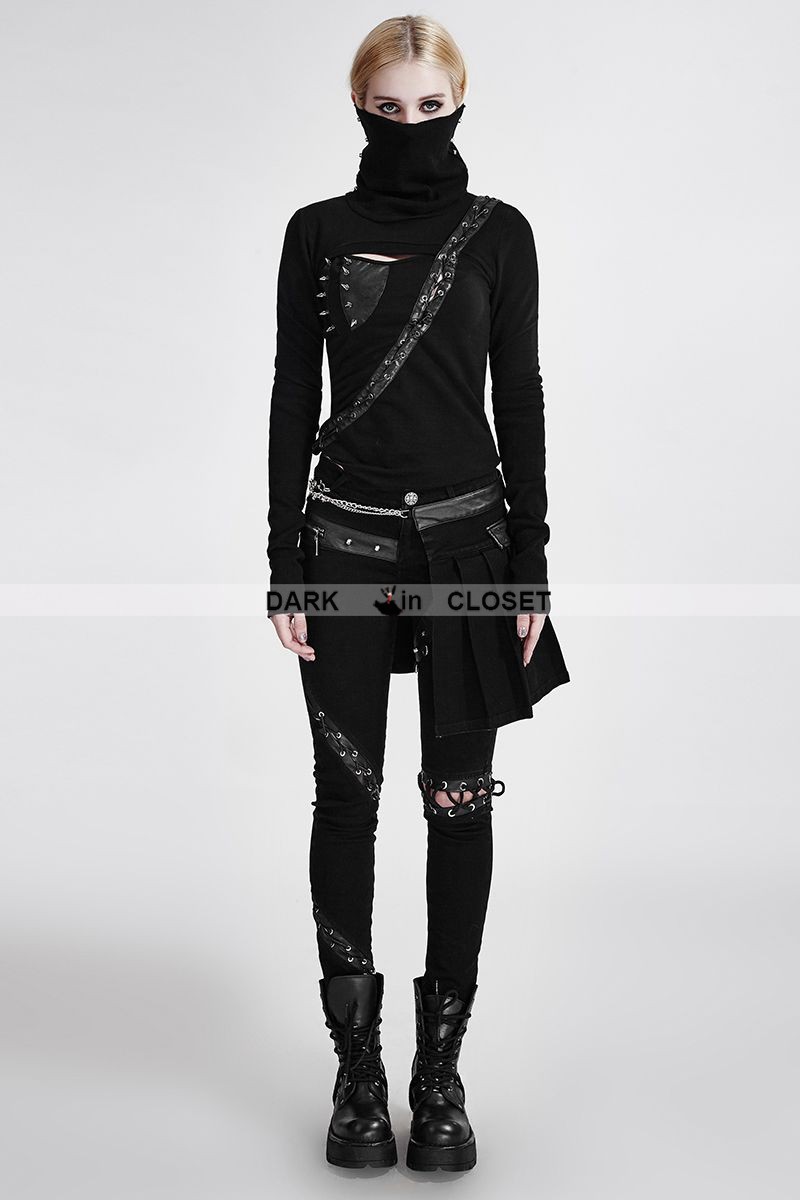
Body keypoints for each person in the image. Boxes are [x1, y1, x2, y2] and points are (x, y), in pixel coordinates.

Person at [266, 14, 570, 1172]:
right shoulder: (315, 232)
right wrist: (283, 559)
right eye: (386, 107)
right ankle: (357, 1073)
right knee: (345, 799)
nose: (408, 124)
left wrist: (530, 560)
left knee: (457, 801)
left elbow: (519, 393)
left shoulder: (500, 234)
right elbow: (293, 392)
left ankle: (438, 1074)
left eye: (427, 107)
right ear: (358, 106)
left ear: (457, 103)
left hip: (466, 555)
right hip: (341, 548)